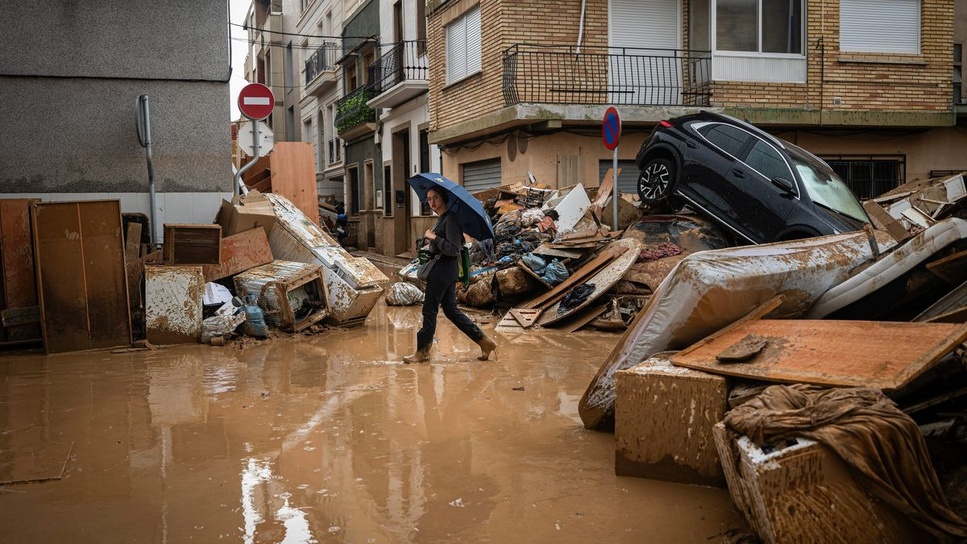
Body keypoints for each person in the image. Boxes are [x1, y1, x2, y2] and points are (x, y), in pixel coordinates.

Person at [404, 187, 497, 363]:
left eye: (435, 198)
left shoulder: (451, 220)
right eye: (429, 198)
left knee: (429, 310)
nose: (431, 202)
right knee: (451, 310)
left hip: (443, 270)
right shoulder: (442, 219)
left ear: (444, 199)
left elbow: (453, 249)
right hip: (445, 269)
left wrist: (434, 238)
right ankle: (485, 342)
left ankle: (422, 352)